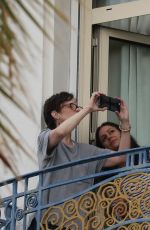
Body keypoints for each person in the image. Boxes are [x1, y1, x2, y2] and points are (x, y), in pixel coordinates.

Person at [28, 91, 131, 229]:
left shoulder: (87, 151)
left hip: (76, 225)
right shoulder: (44, 138)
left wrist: (124, 122)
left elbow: (120, 158)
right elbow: (59, 133)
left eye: (77, 106)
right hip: (48, 223)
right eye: (72, 105)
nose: (77, 109)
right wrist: (88, 109)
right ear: (55, 114)